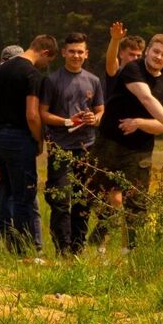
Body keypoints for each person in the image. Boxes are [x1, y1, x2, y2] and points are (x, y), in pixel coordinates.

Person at [90, 33, 163, 251]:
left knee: (137, 202)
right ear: (148, 50)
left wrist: (141, 123)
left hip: (139, 151)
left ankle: (130, 251)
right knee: (97, 193)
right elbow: (146, 98)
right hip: (109, 142)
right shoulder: (133, 69)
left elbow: (159, 125)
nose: (159, 57)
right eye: (156, 51)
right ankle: (98, 245)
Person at [0, 34, 58, 253]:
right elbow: (32, 115)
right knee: (24, 195)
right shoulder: (32, 74)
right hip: (19, 138)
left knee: (4, 194)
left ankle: (7, 245)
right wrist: (38, 139)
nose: (46, 65)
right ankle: (23, 249)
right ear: (44, 52)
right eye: (48, 61)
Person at [40, 32, 105, 255]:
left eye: (80, 51)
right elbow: (43, 114)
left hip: (86, 147)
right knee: (60, 198)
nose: (76, 55)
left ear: (86, 54)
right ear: (63, 53)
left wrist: (94, 119)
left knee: (83, 199)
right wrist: (68, 121)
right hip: (60, 147)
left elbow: (100, 110)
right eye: (72, 51)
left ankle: (78, 247)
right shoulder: (52, 80)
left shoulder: (94, 81)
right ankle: (62, 248)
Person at [104, 21, 145, 96]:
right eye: (131, 55)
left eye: (138, 56)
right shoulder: (116, 72)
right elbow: (111, 60)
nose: (135, 58)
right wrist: (115, 40)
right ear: (121, 54)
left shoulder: (144, 77)